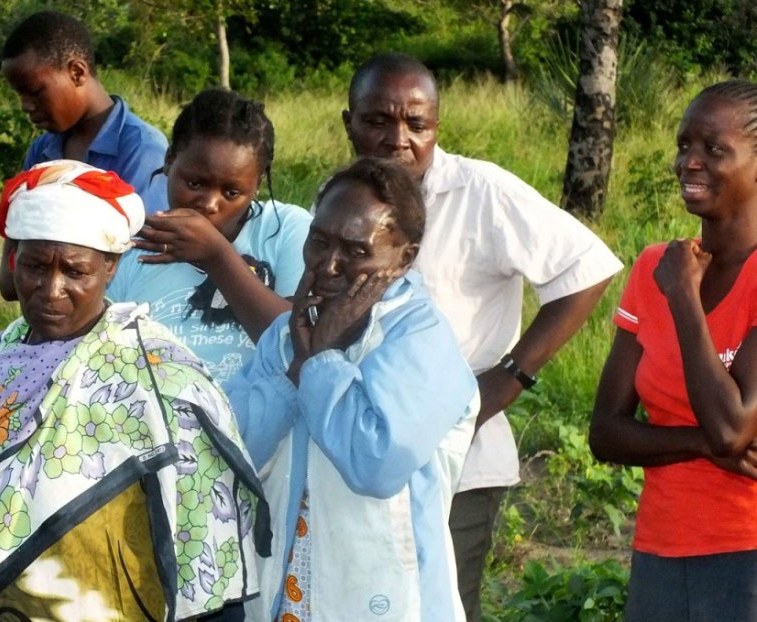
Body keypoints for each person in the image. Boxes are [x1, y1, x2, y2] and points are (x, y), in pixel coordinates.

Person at [341, 52, 624, 621]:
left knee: (441, 605)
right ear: (348, 122)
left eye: (416, 123)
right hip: (358, 450)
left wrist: (509, 379)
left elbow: (587, 268)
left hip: (458, 460)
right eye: (378, 120)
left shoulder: (480, 191)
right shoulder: (343, 197)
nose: (398, 138)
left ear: (436, 126)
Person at [0, 160, 269, 622]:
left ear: (111, 266)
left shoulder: (161, 377)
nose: (51, 289)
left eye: (76, 272)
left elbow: (206, 546)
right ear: (13, 260)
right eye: (36, 266)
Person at [228, 158, 479, 621]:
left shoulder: (422, 339)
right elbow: (233, 449)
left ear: (404, 258)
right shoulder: (288, 335)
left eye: (357, 252)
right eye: (319, 242)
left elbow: (375, 465)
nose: (329, 266)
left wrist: (322, 364)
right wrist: (299, 366)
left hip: (389, 601)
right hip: (285, 594)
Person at [589, 80, 757, 621]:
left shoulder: (678, 277)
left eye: (713, 149)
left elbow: (732, 425)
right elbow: (606, 432)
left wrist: (684, 296)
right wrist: (702, 445)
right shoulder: (653, 266)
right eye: (684, 145)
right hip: (660, 549)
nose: (689, 162)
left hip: (745, 553)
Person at [107, 88, 312, 385]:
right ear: (169, 161)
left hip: (257, 425)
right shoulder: (134, 246)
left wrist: (217, 256)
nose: (209, 204)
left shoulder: (285, 228)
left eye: (232, 192)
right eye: (195, 183)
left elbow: (296, 342)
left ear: (256, 185)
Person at [0, 10, 169, 301]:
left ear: (77, 72)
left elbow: (133, 264)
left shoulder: (143, 149)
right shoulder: (42, 152)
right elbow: (12, 277)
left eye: (35, 92)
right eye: (19, 95)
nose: (26, 106)